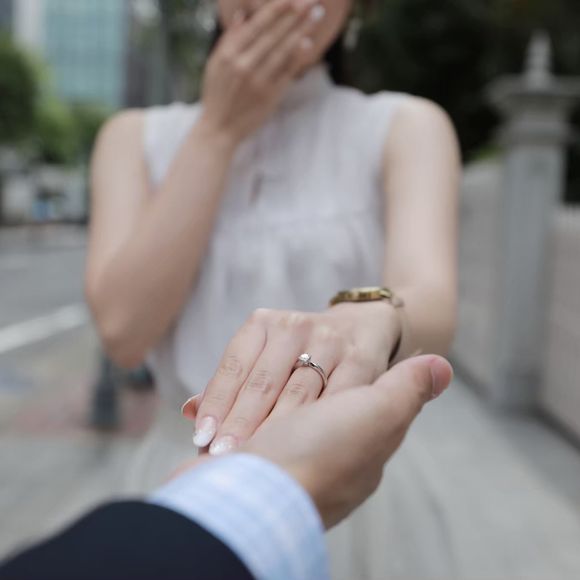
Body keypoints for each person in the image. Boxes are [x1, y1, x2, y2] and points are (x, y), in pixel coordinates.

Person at [86, 0, 459, 575]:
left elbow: (432, 298)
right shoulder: (134, 138)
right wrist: (218, 130)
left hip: (353, 485)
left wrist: (367, 318)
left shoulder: (403, 125)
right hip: (187, 477)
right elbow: (122, 332)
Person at [0, 356, 452, 580]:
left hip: (346, 442)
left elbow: (429, 307)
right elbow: (121, 337)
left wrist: (370, 314)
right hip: (191, 459)